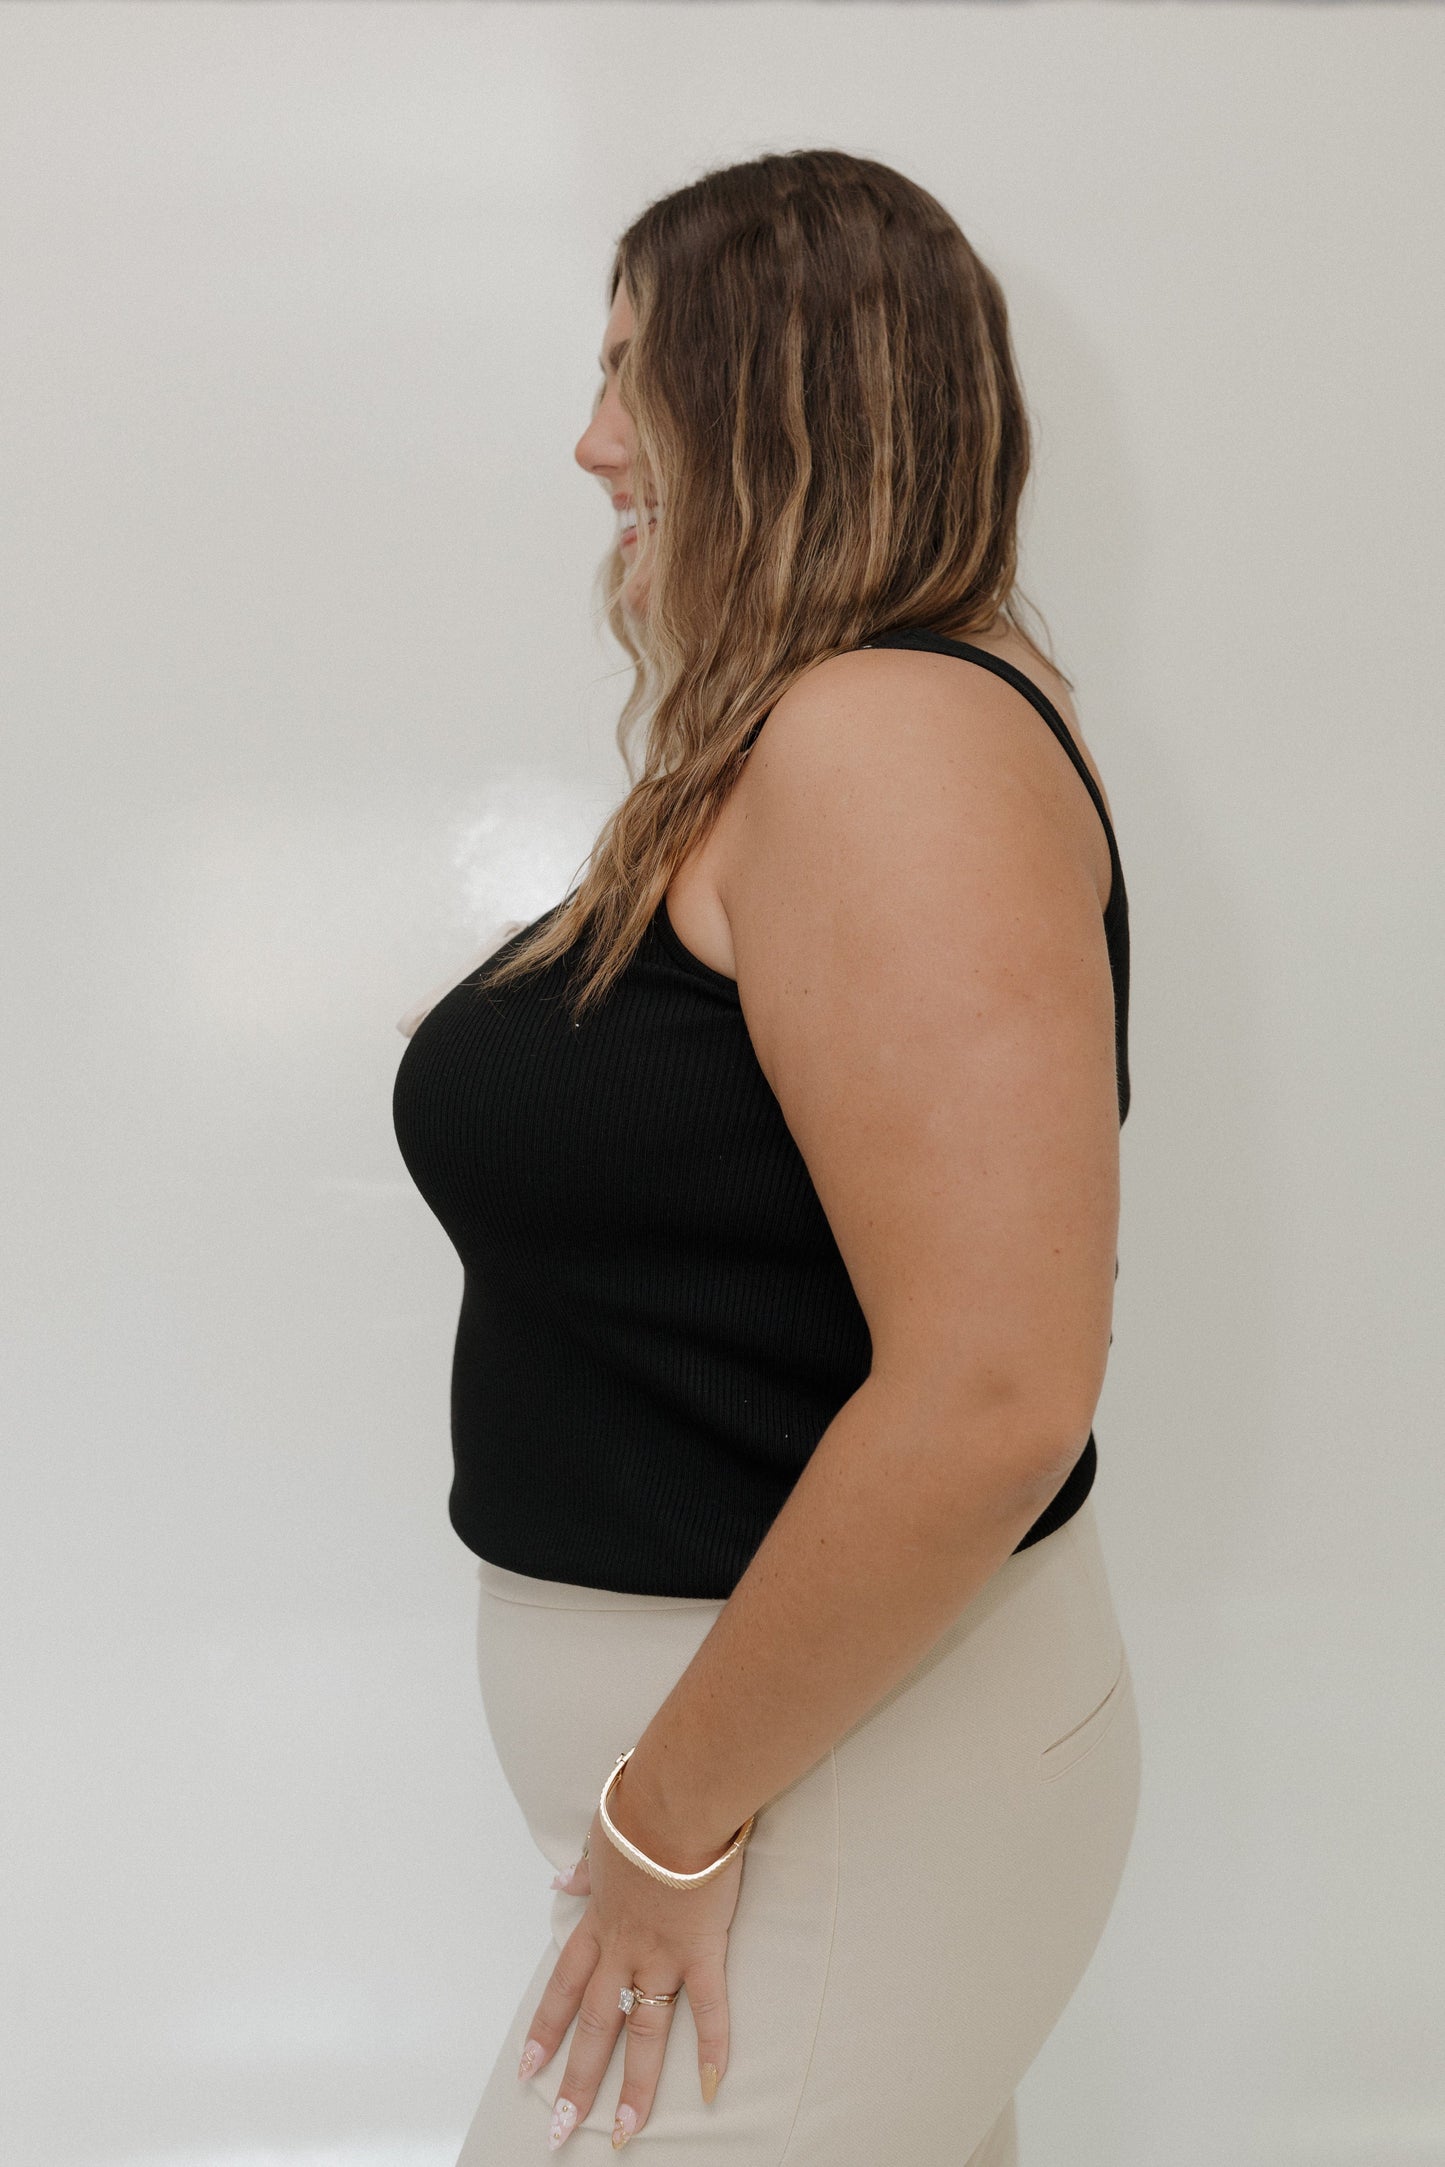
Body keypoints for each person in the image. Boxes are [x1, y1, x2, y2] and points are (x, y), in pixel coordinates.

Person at [393, 148, 1140, 2165]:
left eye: (634, 375)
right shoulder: (835, 729)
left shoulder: (890, 736)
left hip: (827, 1796)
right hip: (792, 1787)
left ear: (780, 390)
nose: (589, 442)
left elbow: (996, 1392)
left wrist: (661, 1811)